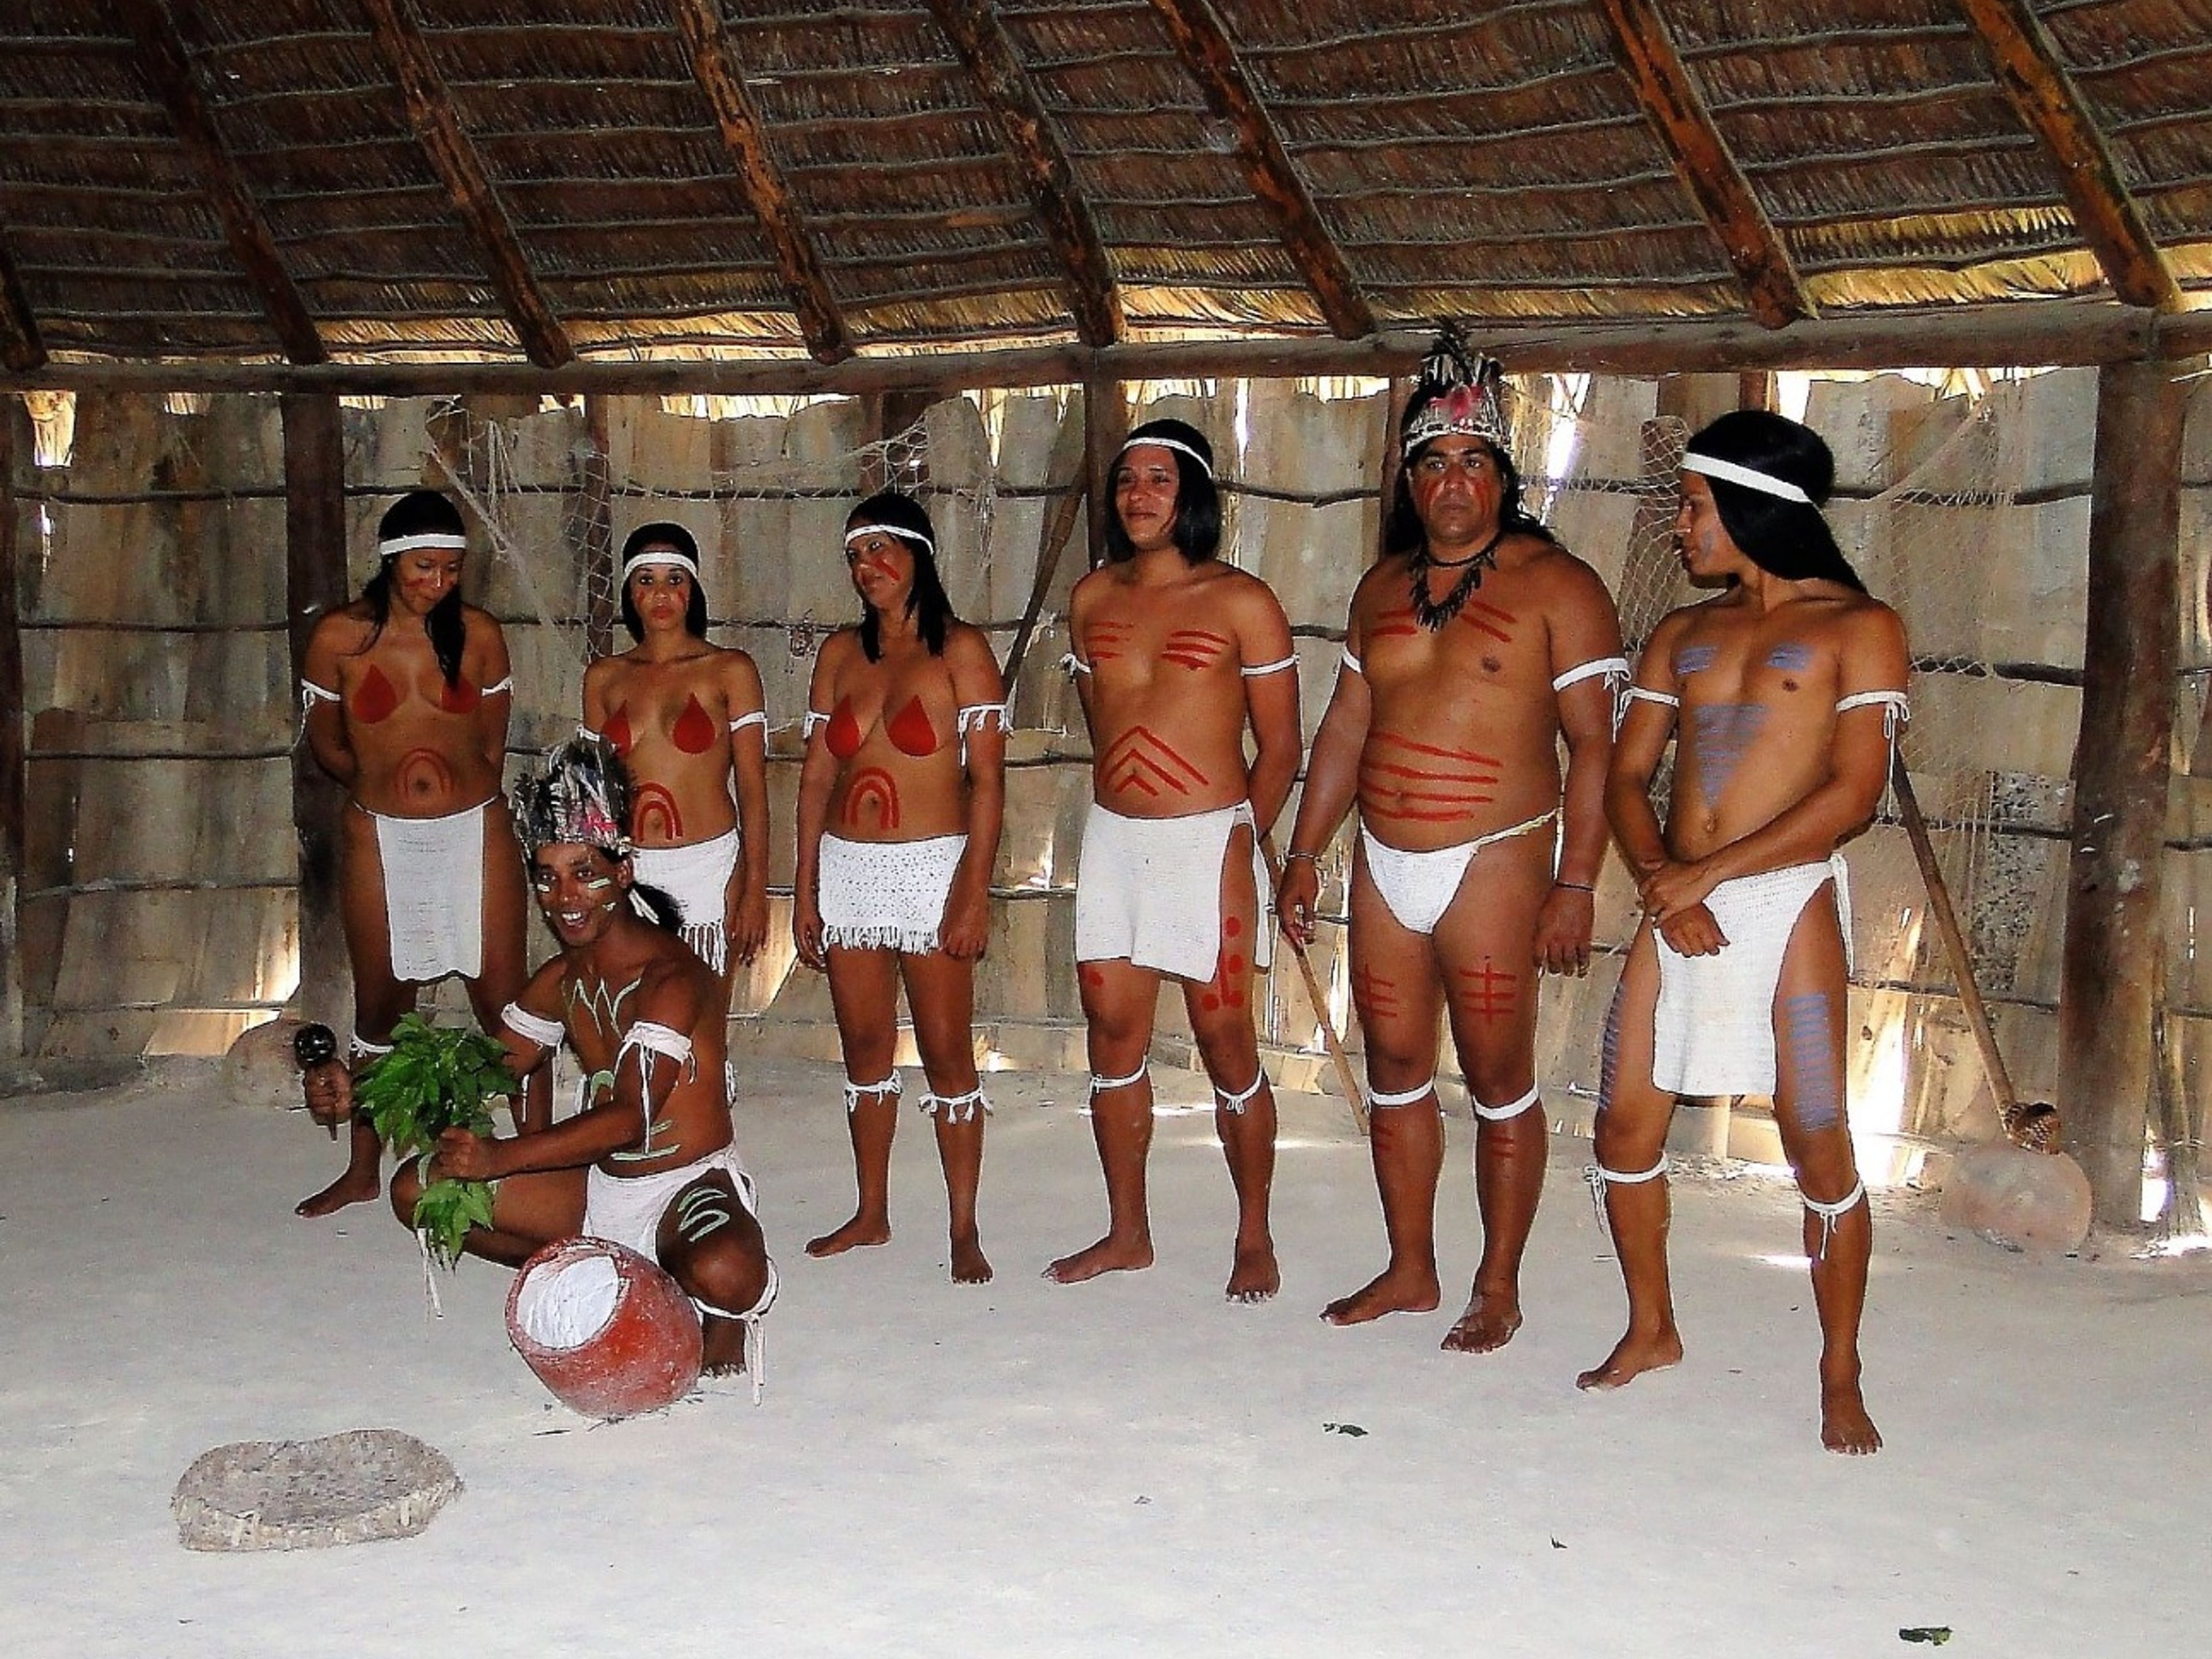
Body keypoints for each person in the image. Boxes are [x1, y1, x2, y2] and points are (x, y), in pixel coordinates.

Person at [1279, 336, 1624, 1347]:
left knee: (1497, 1073)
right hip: (1384, 862)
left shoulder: (1560, 586)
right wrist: (1303, 854)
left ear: (1504, 477)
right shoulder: (1381, 589)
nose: (1453, 481)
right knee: (1393, 1061)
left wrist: (1576, 884)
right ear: (1410, 480)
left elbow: (1596, 749)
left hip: (1496, 857)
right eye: (1433, 462)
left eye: (1474, 460)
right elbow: (1345, 729)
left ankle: (1498, 1287)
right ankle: (1411, 1268)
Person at [1580, 408, 1908, 1456]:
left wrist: (1707, 879)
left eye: (1694, 507)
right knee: (1622, 1131)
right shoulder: (1682, 634)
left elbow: (1854, 794)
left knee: (1815, 1134)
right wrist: (1664, 884)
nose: (1680, 527)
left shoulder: (1861, 628)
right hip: (1676, 897)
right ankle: (1653, 1328)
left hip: (1784, 897)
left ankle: (1841, 1370)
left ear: (1753, 507)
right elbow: (1627, 776)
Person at [302, 738, 776, 1380]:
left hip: (686, 1186)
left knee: (727, 1271)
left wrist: (503, 1157)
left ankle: (713, 1310)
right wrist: (363, 1088)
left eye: (584, 872)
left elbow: (629, 1119)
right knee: (417, 1190)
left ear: (623, 872)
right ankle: (609, 1268)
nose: (565, 897)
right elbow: (483, 1067)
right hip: (600, 1188)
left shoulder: (674, 977)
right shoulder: (560, 978)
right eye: (547, 877)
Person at [1048, 417, 1301, 1301]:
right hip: (1118, 839)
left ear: (1191, 494)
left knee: (1224, 1038)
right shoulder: (1091, 598)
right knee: (1112, 1036)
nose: (1139, 495)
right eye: (1127, 481)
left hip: (1210, 839)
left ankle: (1255, 1233)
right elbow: (1103, 719)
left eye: (1159, 479)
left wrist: (1241, 836)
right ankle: (1128, 1233)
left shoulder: (1242, 602)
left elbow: (1281, 748)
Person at [294, 489, 543, 1217]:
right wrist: (384, 787)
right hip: (380, 833)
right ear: (391, 562)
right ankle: (363, 1169)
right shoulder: (339, 637)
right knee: (382, 1007)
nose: (438, 582)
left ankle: (537, 1162)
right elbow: (327, 744)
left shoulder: (480, 635)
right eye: (424, 568)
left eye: (451, 569)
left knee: (507, 1008)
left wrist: (452, 792)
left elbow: (492, 742)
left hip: (474, 829)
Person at [791, 491, 1007, 1283]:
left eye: (882, 549)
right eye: (855, 555)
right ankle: (872, 1211)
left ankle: (963, 1226)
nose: (868, 566)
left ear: (919, 554)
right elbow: (817, 779)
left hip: (931, 866)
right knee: (864, 1046)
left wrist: (972, 892)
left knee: (947, 1050)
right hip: (850, 868)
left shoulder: (962, 651)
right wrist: (806, 888)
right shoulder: (840, 656)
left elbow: (988, 784)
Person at [581, 521, 771, 989]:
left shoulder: (730, 669)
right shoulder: (604, 677)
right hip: (629, 868)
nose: (661, 594)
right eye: (647, 580)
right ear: (630, 591)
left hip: (710, 866)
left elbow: (752, 788)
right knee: (632, 1009)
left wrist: (756, 889)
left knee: (704, 1010)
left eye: (675, 579)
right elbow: (592, 794)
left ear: (692, 589)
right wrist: (594, 874)